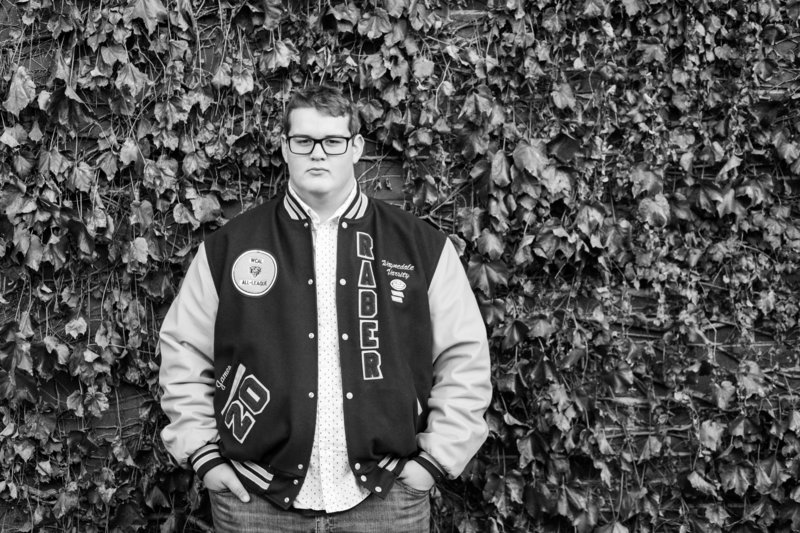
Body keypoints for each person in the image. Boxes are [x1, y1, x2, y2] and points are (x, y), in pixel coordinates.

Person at [158, 85, 492, 532]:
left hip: (387, 499)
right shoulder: (230, 248)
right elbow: (184, 351)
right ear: (285, 147)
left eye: (333, 141)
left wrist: (431, 464)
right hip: (255, 502)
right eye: (304, 141)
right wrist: (203, 454)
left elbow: (464, 358)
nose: (318, 154)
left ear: (355, 147)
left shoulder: (420, 246)